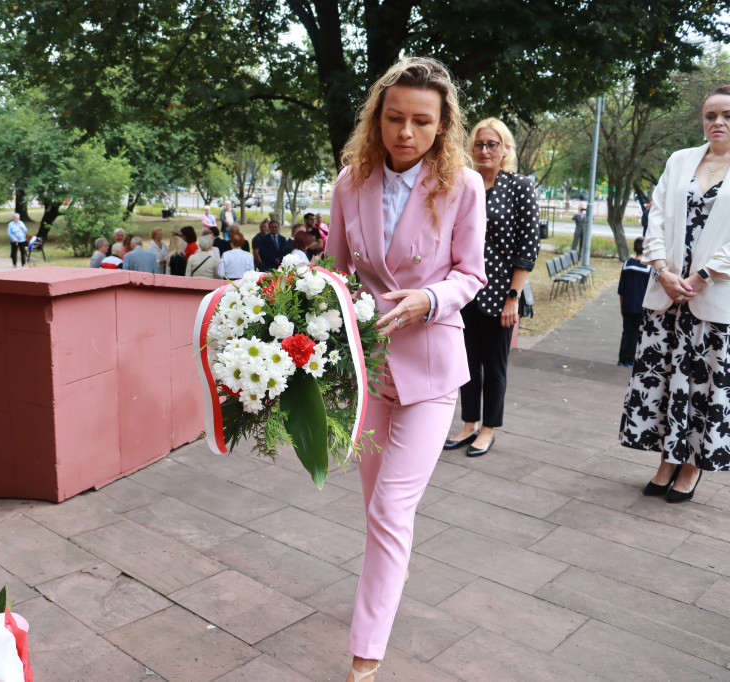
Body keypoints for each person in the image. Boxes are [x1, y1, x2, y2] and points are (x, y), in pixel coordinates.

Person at [323, 56, 486, 681]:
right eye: (394, 118)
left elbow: (471, 275)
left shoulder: (462, 186)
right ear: (378, 117)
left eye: (422, 121)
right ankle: (388, 585)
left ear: (442, 126)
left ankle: (364, 660)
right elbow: (335, 272)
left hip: (431, 370)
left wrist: (431, 298)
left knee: (392, 511)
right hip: (370, 370)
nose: (406, 133)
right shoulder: (349, 182)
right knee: (377, 513)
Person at [621, 84, 730, 503]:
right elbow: (657, 217)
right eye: (710, 115)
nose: (717, 122)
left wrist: (703, 274)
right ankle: (666, 460)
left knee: (703, 388)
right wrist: (662, 270)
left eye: (726, 115)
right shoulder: (680, 160)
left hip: (714, 299)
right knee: (666, 382)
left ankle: (691, 465)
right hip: (667, 297)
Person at [444, 117, 540, 457]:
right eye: (480, 144)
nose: (485, 150)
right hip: (462, 291)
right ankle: (468, 423)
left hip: (501, 294)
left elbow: (527, 247)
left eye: (492, 144)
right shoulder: (462, 185)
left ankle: (488, 429)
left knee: (494, 366)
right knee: (465, 363)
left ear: (505, 149)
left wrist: (513, 296)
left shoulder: (519, 186)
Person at [617, 237, 650, 367]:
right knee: (636, 333)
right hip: (640, 307)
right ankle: (630, 360)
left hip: (627, 305)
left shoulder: (626, 265)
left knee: (626, 332)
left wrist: (621, 306)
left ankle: (622, 359)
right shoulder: (648, 268)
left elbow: (621, 289)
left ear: (634, 249)